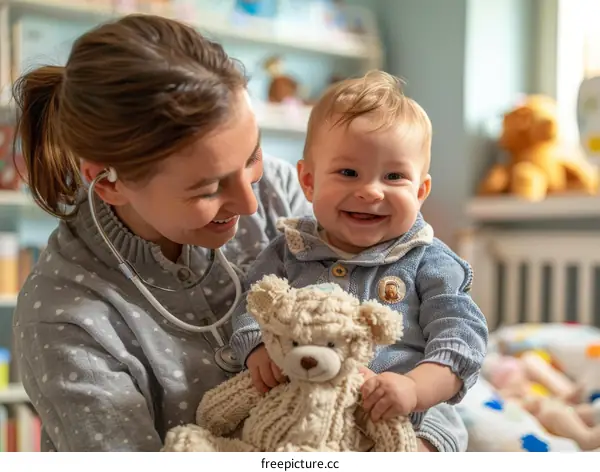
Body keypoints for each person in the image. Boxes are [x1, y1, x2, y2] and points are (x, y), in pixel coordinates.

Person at [10, 14, 466, 452]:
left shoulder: (282, 190)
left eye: (252, 157)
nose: (250, 205)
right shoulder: (64, 318)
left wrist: (419, 441)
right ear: (109, 182)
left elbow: (422, 347)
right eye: (208, 189)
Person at [230, 71, 488, 448]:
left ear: (421, 190)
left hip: (407, 415)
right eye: (348, 172)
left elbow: (461, 337)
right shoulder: (289, 250)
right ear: (309, 181)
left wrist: (416, 388)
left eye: (394, 176)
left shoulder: (427, 261)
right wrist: (256, 347)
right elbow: (254, 302)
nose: (370, 191)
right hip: (307, 407)